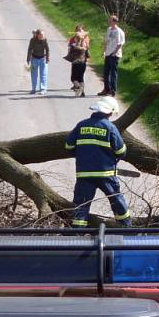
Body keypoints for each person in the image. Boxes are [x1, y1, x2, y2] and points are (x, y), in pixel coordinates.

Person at [64, 96, 132, 227]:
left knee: (81, 204)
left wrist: (81, 154)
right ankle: (126, 226)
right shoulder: (110, 127)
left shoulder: (81, 125)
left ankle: (77, 232)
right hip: (106, 174)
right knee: (116, 199)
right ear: (110, 112)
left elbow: (68, 146)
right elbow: (120, 151)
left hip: (84, 174)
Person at [100, 14, 125, 97]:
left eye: (110, 20)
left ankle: (113, 90)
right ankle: (106, 89)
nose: (109, 21)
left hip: (115, 55)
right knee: (105, 72)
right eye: (109, 20)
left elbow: (120, 43)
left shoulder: (119, 31)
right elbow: (106, 41)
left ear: (115, 21)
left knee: (113, 73)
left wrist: (115, 52)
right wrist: (104, 51)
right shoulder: (109, 29)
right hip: (108, 53)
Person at [67, 24, 90, 97]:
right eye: (77, 30)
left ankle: (79, 88)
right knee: (81, 77)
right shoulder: (85, 42)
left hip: (76, 62)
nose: (78, 31)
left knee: (73, 78)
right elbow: (87, 50)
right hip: (83, 61)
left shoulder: (74, 44)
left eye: (80, 29)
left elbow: (70, 50)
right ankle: (82, 92)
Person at [26, 29, 50, 95]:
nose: (43, 36)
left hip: (43, 59)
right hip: (34, 59)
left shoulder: (44, 40)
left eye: (43, 35)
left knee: (43, 75)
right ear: (37, 35)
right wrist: (28, 59)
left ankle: (43, 89)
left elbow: (47, 49)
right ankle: (34, 89)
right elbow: (30, 49)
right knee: (34, 75)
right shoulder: (33, 40)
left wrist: (47, 58)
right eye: (41, 35)